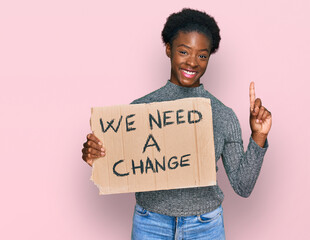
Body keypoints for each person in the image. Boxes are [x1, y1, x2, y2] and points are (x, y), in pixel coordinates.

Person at [82, 8, 272, 240]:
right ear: (169, 49)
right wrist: (97, 156)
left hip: (205, 227)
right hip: (150, 223)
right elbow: (121, 166)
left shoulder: (222, 115)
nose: (192, 62)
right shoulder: (138, 112)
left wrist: (258, 136)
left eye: (202, 55)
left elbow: (243, 186)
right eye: (184, 51)